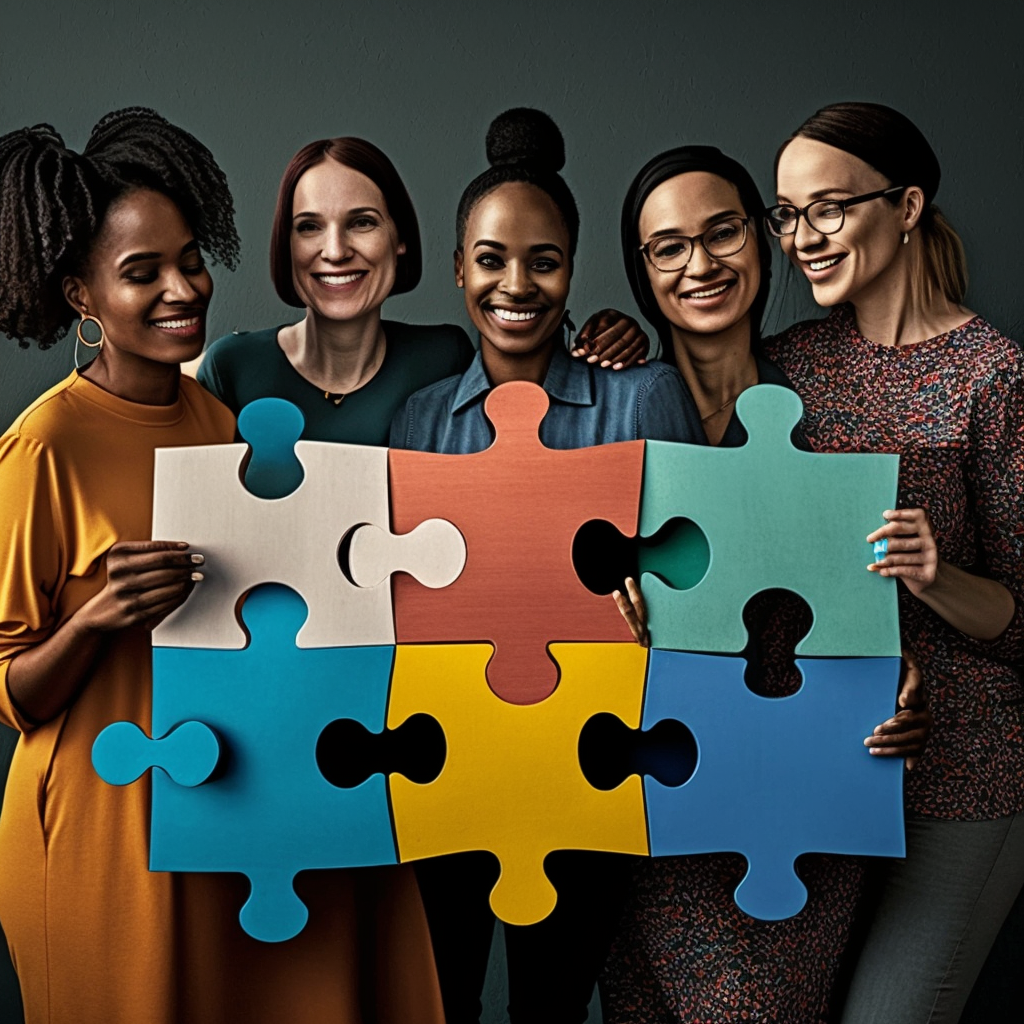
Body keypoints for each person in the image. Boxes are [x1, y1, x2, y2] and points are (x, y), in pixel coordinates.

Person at [0, 108, 443, 1024]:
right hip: (108, 827)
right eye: (140, 273)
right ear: (81, 296)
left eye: (190, 257)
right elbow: (14, 693)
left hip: (229, 805)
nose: (182, 287)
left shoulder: (223, 426)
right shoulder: (42, 447)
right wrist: (98, 616)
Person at [599, 144, 930, 1024]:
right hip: (636, 814)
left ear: (764, 235)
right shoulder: (607, 410)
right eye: (668, 247)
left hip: (796, 805)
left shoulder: (839, 399)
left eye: (723, 232)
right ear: (642, 271)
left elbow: (886, 589)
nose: (700, 264)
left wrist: (895, 674)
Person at [388, 107, 704, 1024]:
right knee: (439, 1002)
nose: (515, 283)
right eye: (490, 260)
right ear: (458, 270)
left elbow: (700, 580)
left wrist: (659, 623)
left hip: (591, 763)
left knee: (554, 1007)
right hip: (446, 760)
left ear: (573, 269)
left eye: (544, 260)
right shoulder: (420, 423)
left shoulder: (642, 395)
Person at [765, 101, 1024, 1024]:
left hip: (963, 773)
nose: (803, 238)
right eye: (788, 215)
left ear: (906, 206)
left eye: (827, 208)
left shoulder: (993, 374)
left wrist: (933, 574)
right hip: (818, 758)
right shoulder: (784, 366)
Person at [196, 136, 650, 442]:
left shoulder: (444, 357)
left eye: (362, 223)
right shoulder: (232, 368)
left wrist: (613, 333)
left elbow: (532, 378)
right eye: (309, 227)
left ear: (400, 240)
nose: (334, 251)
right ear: (285, 244)